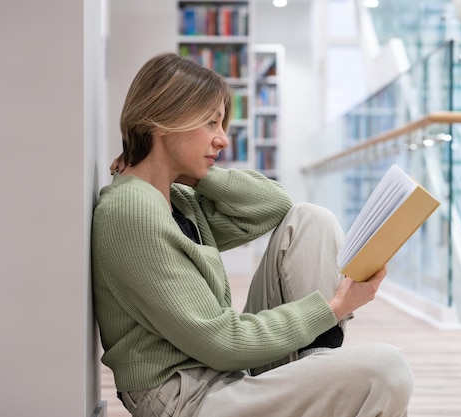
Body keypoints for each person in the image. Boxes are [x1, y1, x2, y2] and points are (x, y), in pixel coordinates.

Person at [91, 52, 413, 417]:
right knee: (387, 369)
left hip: (220, 375)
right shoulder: (131, 211)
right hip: (185, 400)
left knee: (310, 219)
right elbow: (222, 341)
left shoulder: (178, 198)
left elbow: (274, 205)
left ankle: (319, 365)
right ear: (164, 120)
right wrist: (336, 306)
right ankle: (324, 383)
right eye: (211, 124)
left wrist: (194, 172)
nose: (223, 140)